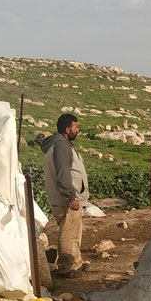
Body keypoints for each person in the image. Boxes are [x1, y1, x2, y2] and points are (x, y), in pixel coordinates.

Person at [40, 113, 90, 278]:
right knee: (69, 235)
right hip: (66, 199)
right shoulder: (61, 146)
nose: (78, 130)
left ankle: (76, 264)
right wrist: (71, 196)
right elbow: (63, 175)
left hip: (63, 198)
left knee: (73, 232)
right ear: (67, 129)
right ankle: (66, 267)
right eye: (75, 127)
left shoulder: (58, 145)